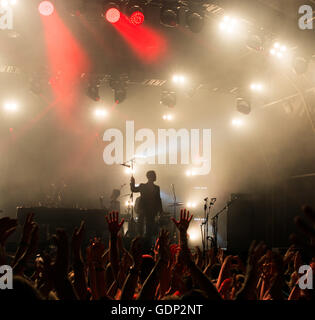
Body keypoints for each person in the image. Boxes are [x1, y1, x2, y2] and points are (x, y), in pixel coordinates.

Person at [130, 171, 163, 242]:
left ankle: (145, 241)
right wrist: (132, 182)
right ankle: (141, 241)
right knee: (142, 227)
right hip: (145, 210)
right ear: (151, 177)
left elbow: (158, 199)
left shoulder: (155, 188)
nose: (155, 177)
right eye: (154, 175)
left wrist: (160, 210)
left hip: (150, 211)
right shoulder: (144, 186)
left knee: (149, 228)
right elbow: (133, 189)